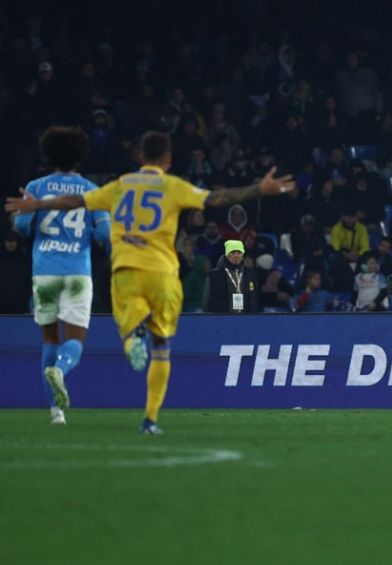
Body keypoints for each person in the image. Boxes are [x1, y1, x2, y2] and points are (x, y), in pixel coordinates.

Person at [6, 131, 294, 434]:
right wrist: (259, 189)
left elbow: (76, 202)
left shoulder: (120, 186)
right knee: (161, 348)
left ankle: (130, 340)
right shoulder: (173, 186)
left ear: (139, 157)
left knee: (109, 326)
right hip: (161, 272)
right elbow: (218, 198)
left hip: (126, 270)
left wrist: (37, 206)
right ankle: (150, 419)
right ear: (168, 160)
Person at [10, 127, 110, 424]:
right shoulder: (92, 190)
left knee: (49, 339)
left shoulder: (36, 187)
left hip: (44, 274)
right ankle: (62, 370)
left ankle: (56, 413)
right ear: (80, 157)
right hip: (78, 273)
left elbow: (23, 227)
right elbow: (105, 233)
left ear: (48, 155)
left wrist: (19, 219)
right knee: (76, 338)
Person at [206, 240, 259, 313]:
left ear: (243, 255)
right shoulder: (215, 275)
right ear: (227, 255)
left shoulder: (251, 274)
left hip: (247, 320)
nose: (236, 256)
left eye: (239, 252)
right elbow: (206, 301)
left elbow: (256, 298)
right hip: (222, 319)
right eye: (233, 252)